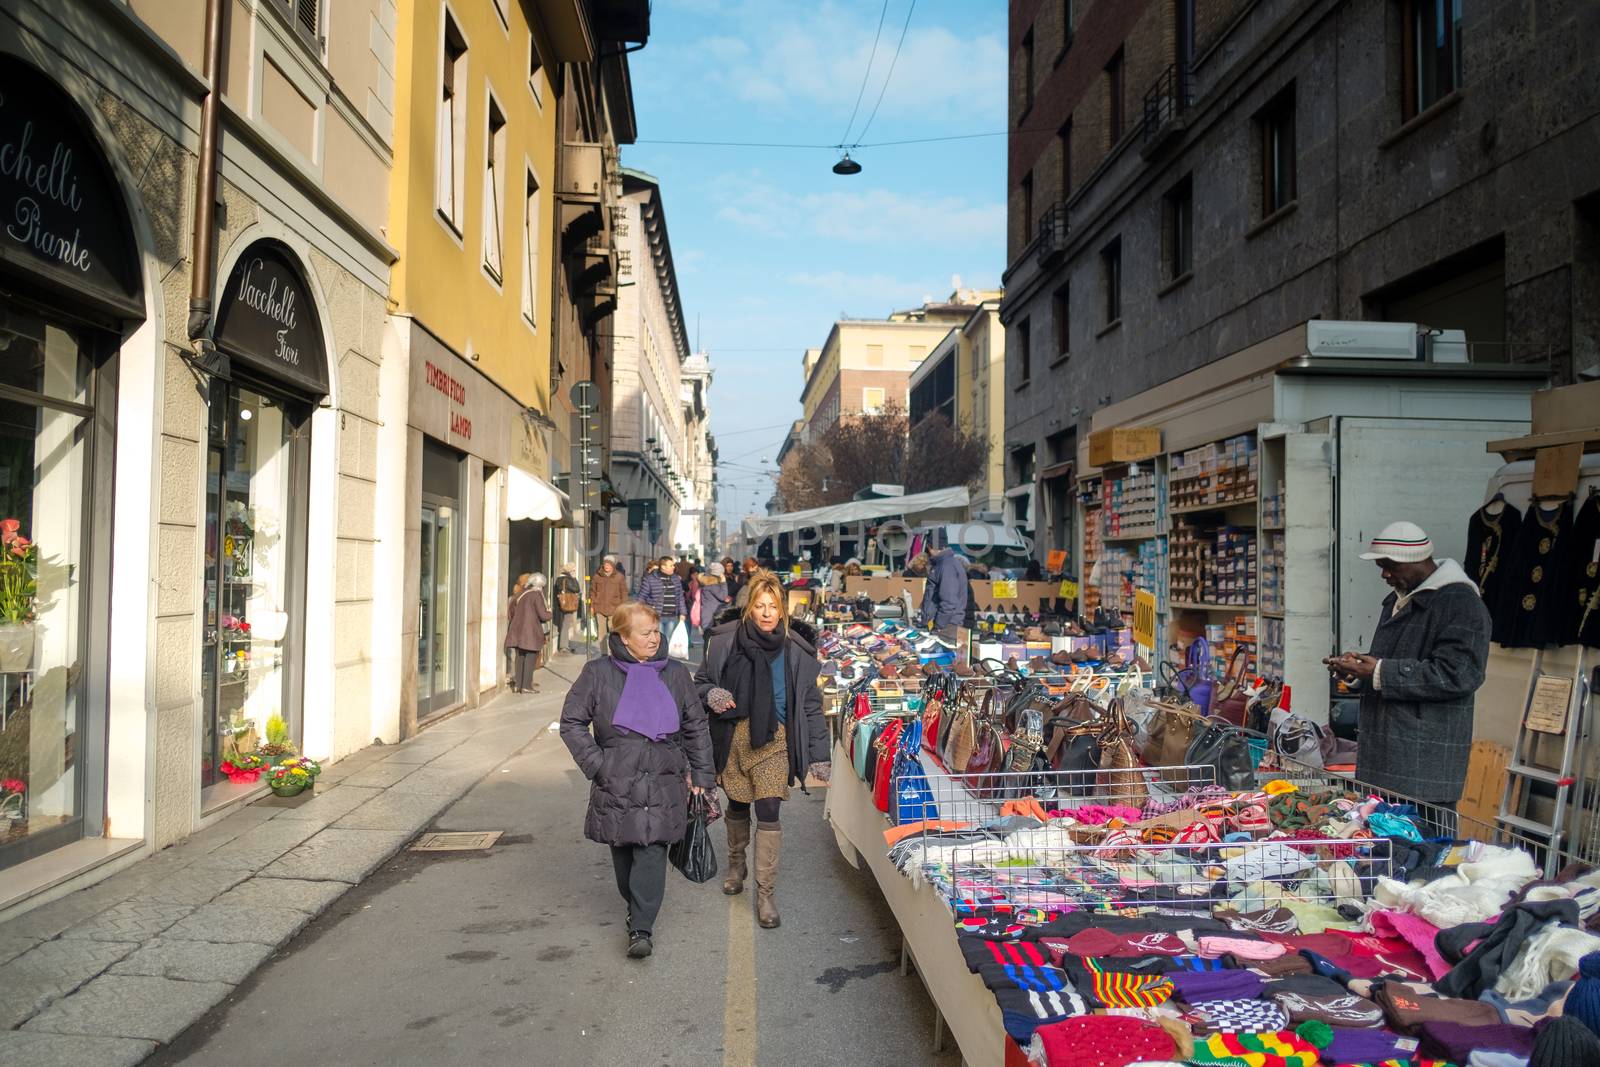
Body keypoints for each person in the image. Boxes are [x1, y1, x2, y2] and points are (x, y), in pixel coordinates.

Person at [559, 601, 715, 959]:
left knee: (652, 850)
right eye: (645, 632)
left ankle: (642, 928)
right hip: (617, 779)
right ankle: (635, 907)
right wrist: (599, 764)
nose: (653, 638)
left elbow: (694, 726)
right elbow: (571, 723)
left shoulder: (674, 673)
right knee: (625, 853)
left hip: (663, 777)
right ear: (623, 637)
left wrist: (701, 774)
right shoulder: (597, 673)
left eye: (656, 631)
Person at [1323, 521, 1491, 837]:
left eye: (1389, 566)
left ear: (1414, 560)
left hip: (1422, 763)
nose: (1383, 574)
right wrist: (1358, 672)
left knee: (1423, 848)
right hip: (1389, 753)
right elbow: (1393, 664)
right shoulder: (1402, 597)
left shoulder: (1461, 603)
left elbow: (1459, 675)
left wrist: (1377, 672)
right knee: (1383, 850)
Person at [696, 570, 829, 929]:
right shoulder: (724, 641)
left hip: (775, 739)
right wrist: (712, 693)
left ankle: (765, 893)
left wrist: (820, 756)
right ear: (749, 608)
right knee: (738, 803)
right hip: (734, 735)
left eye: (774, 606)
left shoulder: (796, 650)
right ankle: (736, 863)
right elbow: (701, 682)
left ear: (783, 609)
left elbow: (811, 705)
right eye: (760, 605)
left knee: (769, 809)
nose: (767, 613)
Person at [507, 572, 551, 692]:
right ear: (540, 585)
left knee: (520, 657)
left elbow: (510, 611)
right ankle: (526, 685)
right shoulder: (536, 595)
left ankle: (517, 685)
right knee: (530, 657)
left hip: (517, 630)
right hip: (530, 632)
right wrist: (549, 613)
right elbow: (543, 615)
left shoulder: (520, 594)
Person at [918, 546, 968, 641]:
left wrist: (938, 626)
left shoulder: (947, 566)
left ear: (931, 547)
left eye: (927, 548)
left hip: (947, 627)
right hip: (944, 626)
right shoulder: (942, 564)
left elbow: (949, 601)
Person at [638, 556, 687, 651]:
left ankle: (663, 661)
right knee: (657, 640)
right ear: (663, 567)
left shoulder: (676, 579)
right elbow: (641, 597)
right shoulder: (650, 579)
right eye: (671, 565)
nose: (674, 567)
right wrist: (644, 611)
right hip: (656, 616)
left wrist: (683, 613)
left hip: (672, 616)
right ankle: (656, 660)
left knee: (667, 641)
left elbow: (680, 597)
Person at [590, 555, 628, 643]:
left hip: (614, 608)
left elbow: (624, 593)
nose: (606, 566)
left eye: (609, 564)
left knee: (614, 631)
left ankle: (612, 652)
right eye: (605, 564)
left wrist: (623, 607)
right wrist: (592, 606)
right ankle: (604, 654)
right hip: (599, 607)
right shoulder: (597, 576)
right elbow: (592, 592)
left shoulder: (619, 577)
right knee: (601, 633)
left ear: (613, 565)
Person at [696, 562, 731, 646]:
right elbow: (723, 596)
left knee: (707, 642)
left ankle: (706, 658)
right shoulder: (714, 586)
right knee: (713, 643)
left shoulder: (705, 584)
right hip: (713, 617)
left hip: (706, 615)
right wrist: (723, 583)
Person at [552, 563, 582, 654]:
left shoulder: (558, 579)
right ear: (569, 570)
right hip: (568, 604)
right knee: (566, 625)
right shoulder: (569, 579)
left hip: (560, 603)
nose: (574, 572)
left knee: (562, 624)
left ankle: (564, 644)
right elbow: (576, 589)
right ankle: (564, 646)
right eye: (573, 570)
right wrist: (574, 578)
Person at [504, 573, 527, 686]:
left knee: (514, 653)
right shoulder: (522, 596)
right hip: (519, 628)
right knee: (517, 653)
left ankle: (514, 675)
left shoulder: (513, 597)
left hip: (513, 627)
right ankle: (516, 676)